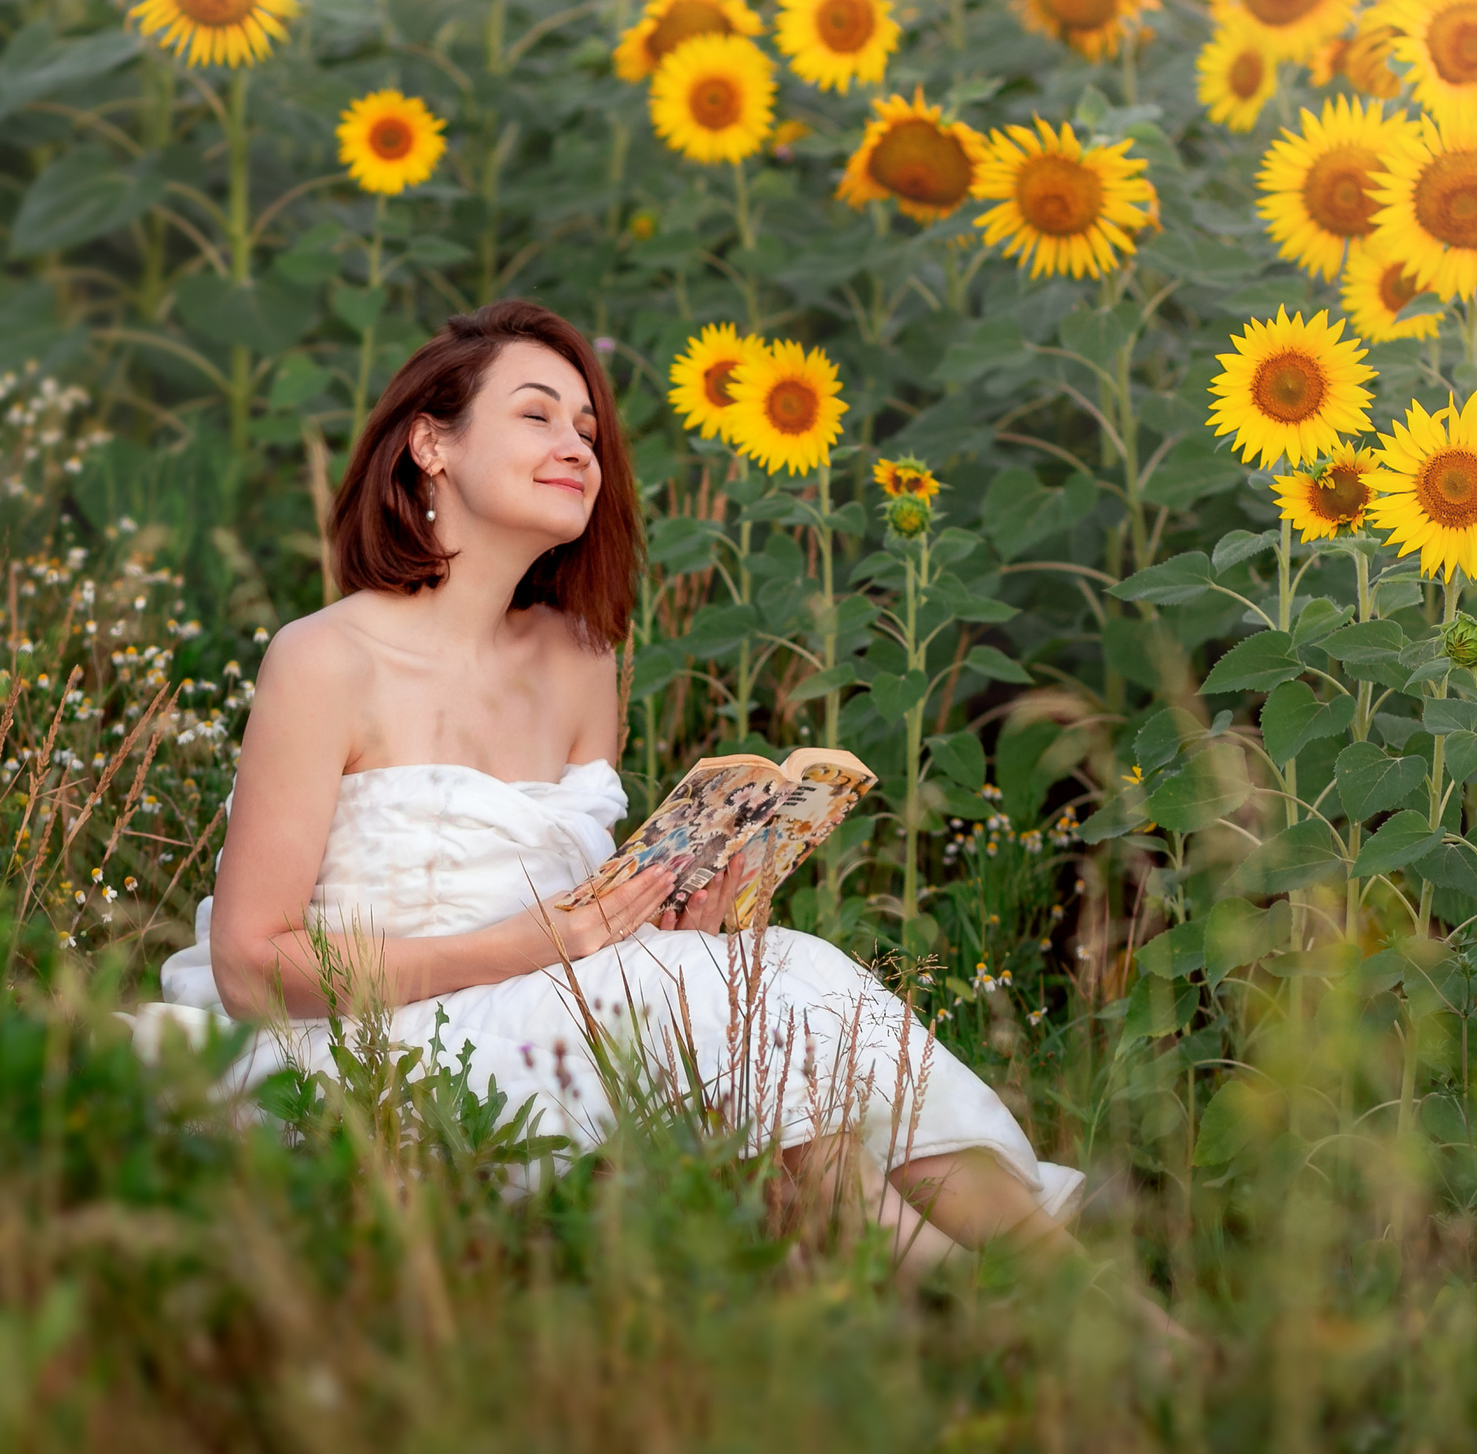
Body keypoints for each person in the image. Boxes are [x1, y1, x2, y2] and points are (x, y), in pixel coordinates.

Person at [135, 300, 1079, 1270]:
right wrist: (542, 945)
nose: (577, 446)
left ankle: (1067, 1301)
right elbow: (254, 968)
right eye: (537, 415)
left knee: (775, 974)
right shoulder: (326, 658)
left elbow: (581, 922)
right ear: (430, 444)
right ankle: (1039, 1319)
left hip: (567, 1018)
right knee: (722, 1016)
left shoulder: (580, 660)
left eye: (588, 430)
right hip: (366, 1043)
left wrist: (672, 925)